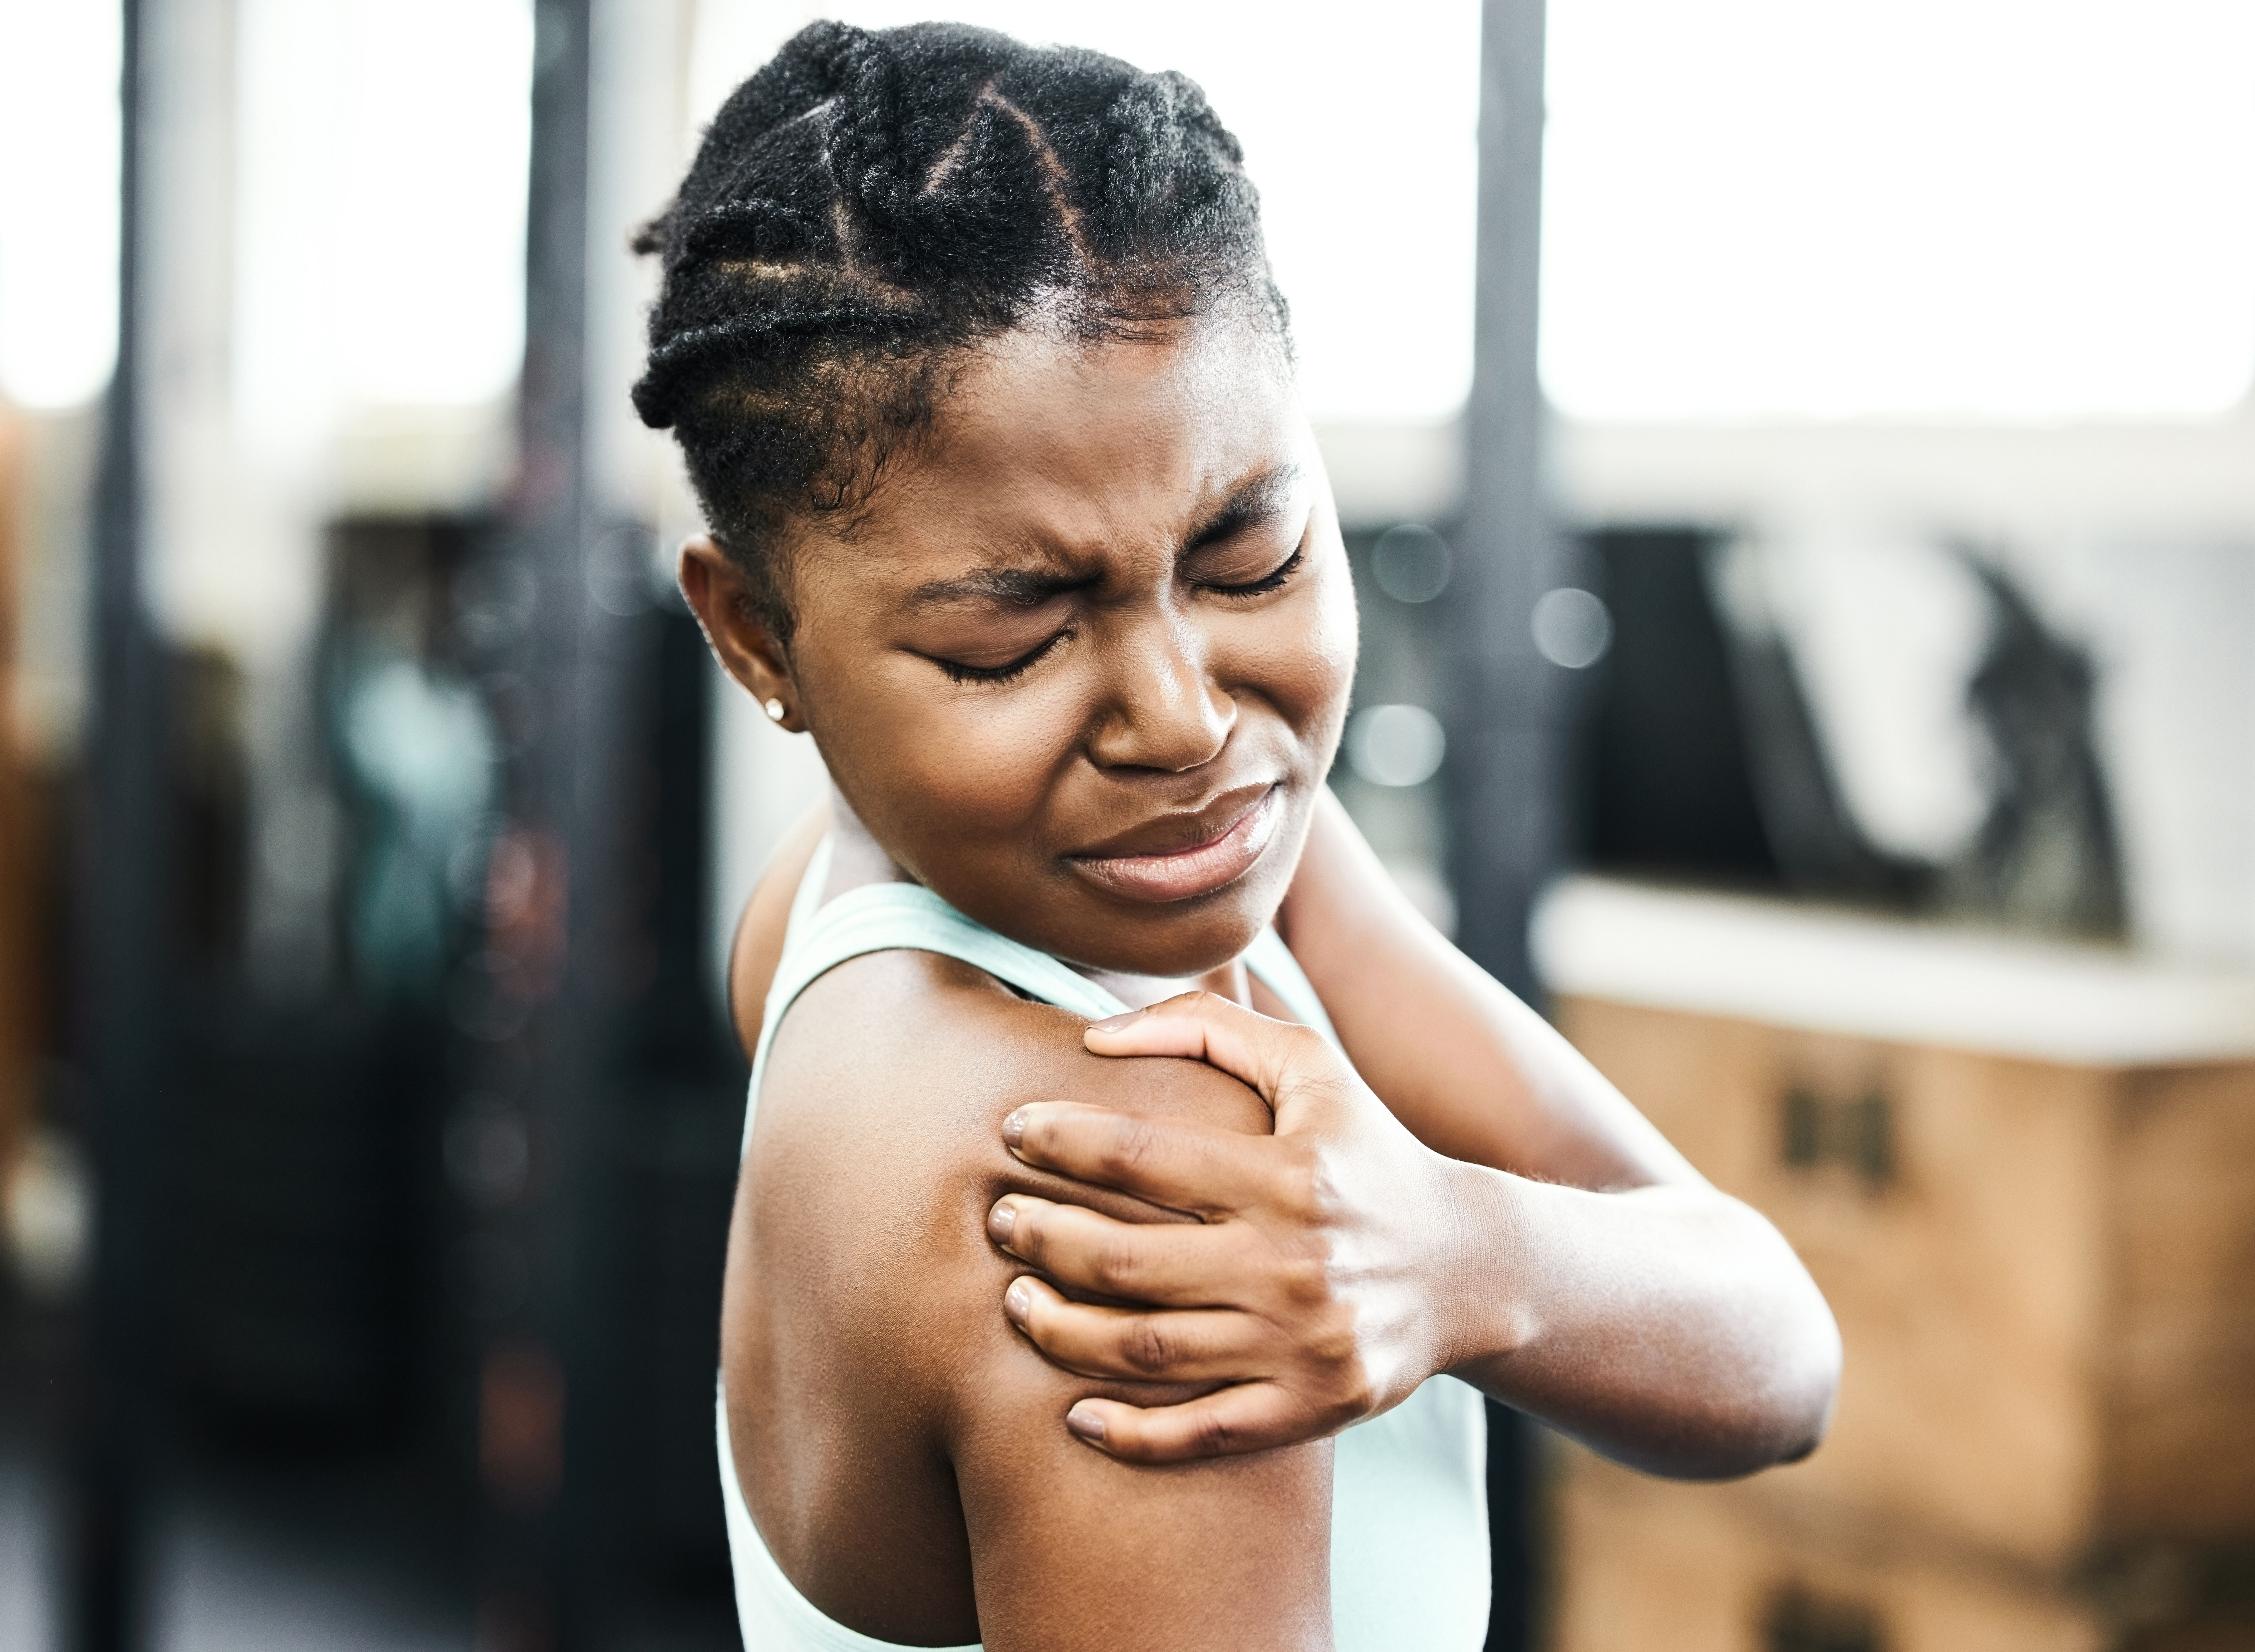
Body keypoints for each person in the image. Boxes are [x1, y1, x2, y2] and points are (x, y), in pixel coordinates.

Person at [636, 22, 1841, 1650]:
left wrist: (1461, 1256)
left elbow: (1775, 1353)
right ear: (758, 641)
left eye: (1249, 556)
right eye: (1015, 641)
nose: (1190, 721)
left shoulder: (977, 886)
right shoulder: (1152, 1212)